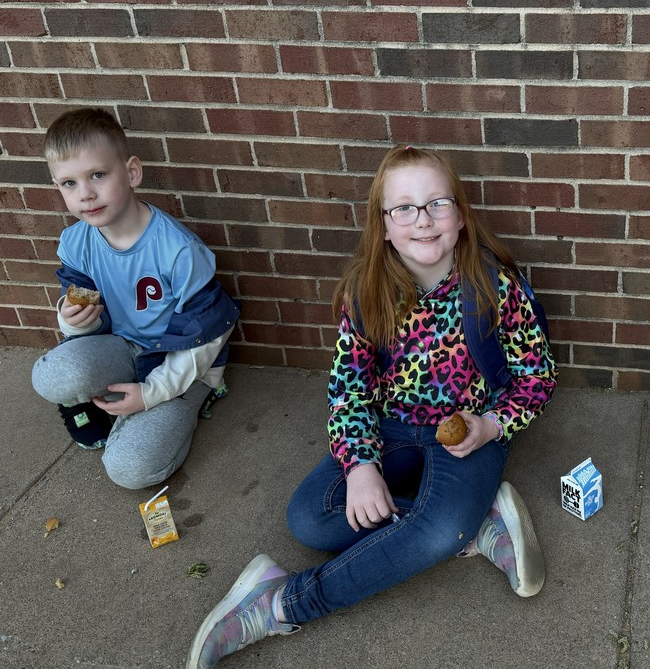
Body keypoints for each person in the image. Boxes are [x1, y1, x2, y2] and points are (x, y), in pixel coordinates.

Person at [187, 145, 557, 667]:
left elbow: (537, 377)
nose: (422, 220)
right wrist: (361, 467)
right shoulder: (366, 293)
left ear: (460, 215)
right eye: (403, 208)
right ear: (383, 225)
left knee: (435, 531)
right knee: (310, 520)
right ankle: (475, 525)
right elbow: (349, 391)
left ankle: (278, 604)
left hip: (470, 433)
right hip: (392, 430)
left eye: (437, 204)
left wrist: (493, 425)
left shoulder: (495, 288)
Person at [31, 108, 239, 490]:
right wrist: (71, 318)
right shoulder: (76, 242)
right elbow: (87, 318)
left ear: (131, 173)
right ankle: (106, 402)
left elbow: (211, 330)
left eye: (98, 175)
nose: (85, 194)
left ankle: (190, 401)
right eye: (69, 183)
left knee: (130, 469)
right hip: (123, 347)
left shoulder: (177, 249)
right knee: (49, 374)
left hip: (177, 361)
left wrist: (152, 394)